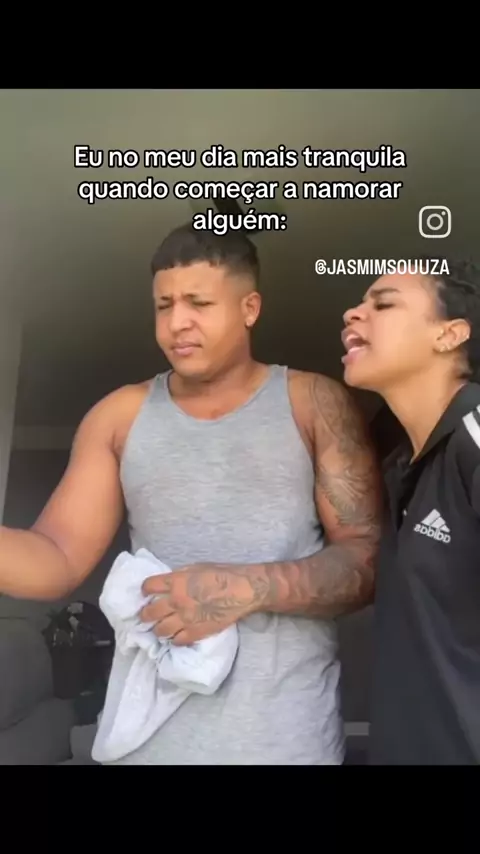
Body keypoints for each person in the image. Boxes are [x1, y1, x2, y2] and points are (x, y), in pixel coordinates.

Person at [0, 223, 382, 765]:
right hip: (148, 745)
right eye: (164, 305)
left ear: (249, 308)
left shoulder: (313, 402)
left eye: (199, 303)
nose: (177, 322)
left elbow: (367, 559)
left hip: (284, 743)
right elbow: (56, 559)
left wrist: (245, 587)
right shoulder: (118, 416)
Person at [341, 257, 480, 765]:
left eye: (384, 304)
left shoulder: (474, 437)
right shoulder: (399, 467)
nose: (353, 313)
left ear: (449, 335)